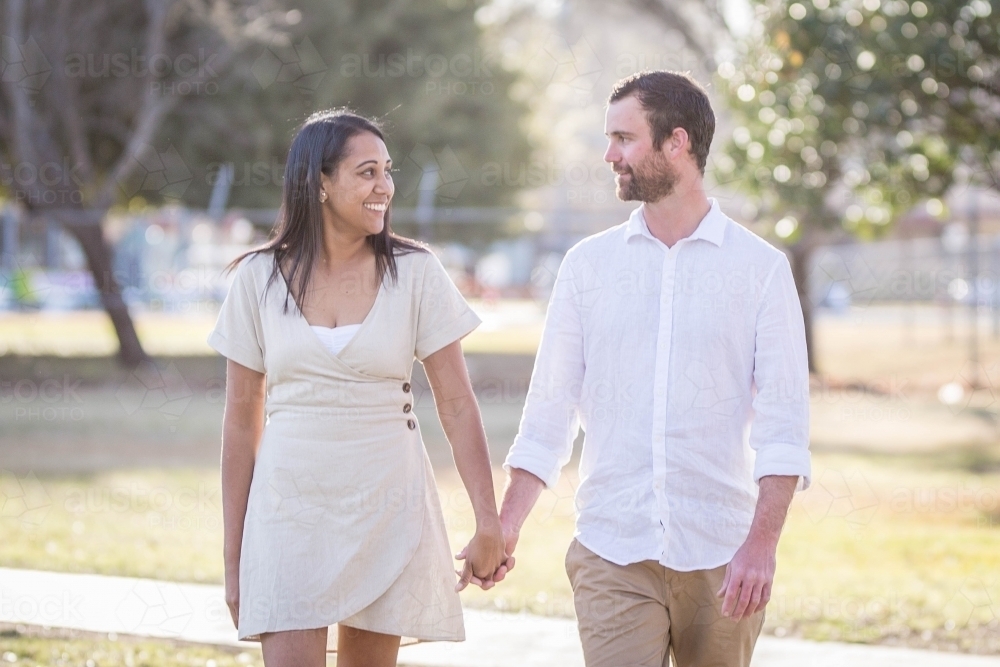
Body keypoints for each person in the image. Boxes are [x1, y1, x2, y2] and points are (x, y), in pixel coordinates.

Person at [489, 70, 812, 667]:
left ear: (677, 143)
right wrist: (506, 525)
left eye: (624, 138)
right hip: (613, 549)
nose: (609, 155)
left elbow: (784, 428)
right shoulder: (587, 267)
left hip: (723, 557)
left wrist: (761, 547)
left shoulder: (760, 270)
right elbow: (549, 412)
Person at [207, 109, 505, 667]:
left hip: (387, 506)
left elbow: (458, 404)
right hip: (287, 513)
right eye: (367, 172)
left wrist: (487, 521)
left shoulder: (416, 272)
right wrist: (234, 558)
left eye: (387, 171)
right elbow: (240, 421)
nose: (384, 187)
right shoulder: (257, 280)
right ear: (319, 182)